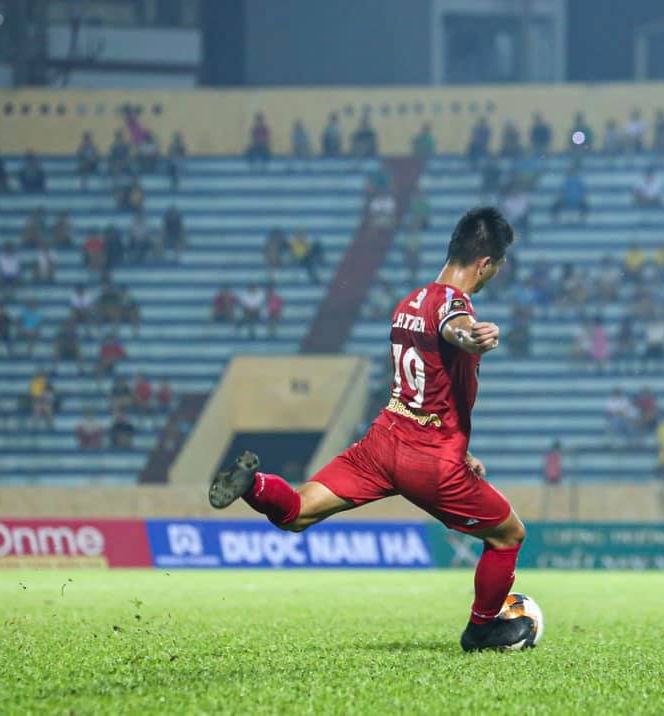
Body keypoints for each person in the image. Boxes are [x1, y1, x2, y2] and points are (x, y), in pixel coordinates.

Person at [208, 207, 533, 652]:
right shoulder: (453, 305)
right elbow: (455, 327)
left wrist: (462, 448)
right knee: (508, 535)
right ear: (485, 263)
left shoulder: (407, 304)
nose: (496, 273)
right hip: (429, 461)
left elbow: (428, 384)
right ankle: (481, 630)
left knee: (298, 512)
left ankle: (254, 485)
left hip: (383, 443)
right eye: (498, 265)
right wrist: (473, 336)